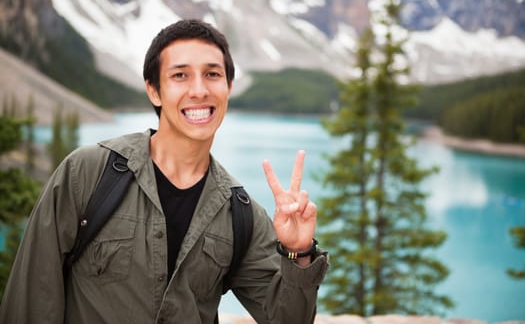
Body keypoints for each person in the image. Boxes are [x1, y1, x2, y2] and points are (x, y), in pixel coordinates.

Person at [0, 19, 329, 323]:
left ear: (228, 87)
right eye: (180, 75)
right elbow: (31, 302)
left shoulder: (240, 214)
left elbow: (287, 320)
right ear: (154, 90)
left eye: (212, 74)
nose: (199, 90)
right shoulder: (86, 173)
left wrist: (298, 253)